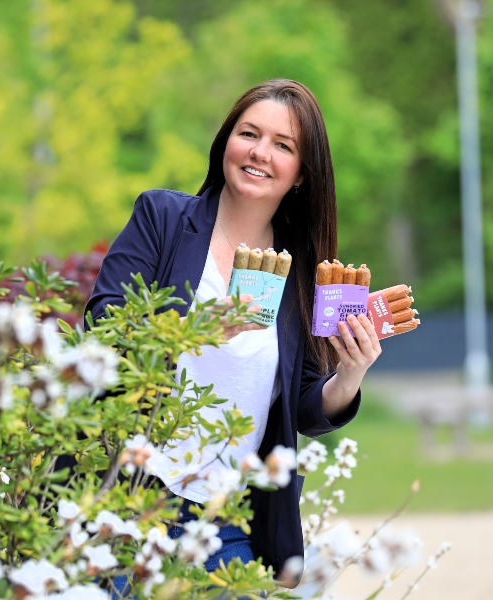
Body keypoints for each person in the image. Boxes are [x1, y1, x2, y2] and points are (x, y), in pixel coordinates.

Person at [85, 79, 382, 581]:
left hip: (228, 527)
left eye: (283, 145)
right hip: (127, 504)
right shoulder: (163, 219)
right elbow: (102, 323)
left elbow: (304, 406)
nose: (260, 152)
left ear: (301, 175)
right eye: (249, 134)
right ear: (227, 141)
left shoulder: (304, 274)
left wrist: (349, 375)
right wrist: (197, 329)